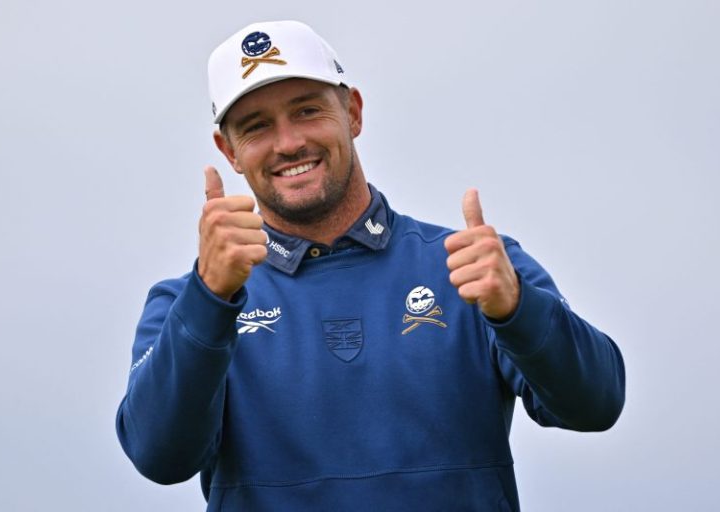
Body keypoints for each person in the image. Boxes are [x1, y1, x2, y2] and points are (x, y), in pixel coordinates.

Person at [116, 20, 625, 512]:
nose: (289, 143)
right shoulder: (188, 303)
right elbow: (159, 456)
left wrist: (517, 309)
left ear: (353, 113)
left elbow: (597, 403)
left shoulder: (473, 266)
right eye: (257, 127)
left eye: (307, 110)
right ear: (229, 151)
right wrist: (210, 298)